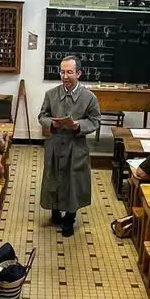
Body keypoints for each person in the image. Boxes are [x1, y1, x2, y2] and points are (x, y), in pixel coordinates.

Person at [38, 55, 101, 237]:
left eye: (69, 72)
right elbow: (42, 116)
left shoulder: (89, 97)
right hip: (55, 143)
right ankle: (55, 211)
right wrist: (52, 123)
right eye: (62, 72)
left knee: (73, 182)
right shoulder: (51, 94)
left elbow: (95, 121)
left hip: (76, 145)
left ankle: (69, 219)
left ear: (78, 73)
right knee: (53, 178)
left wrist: (78, 125)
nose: (65, 76)